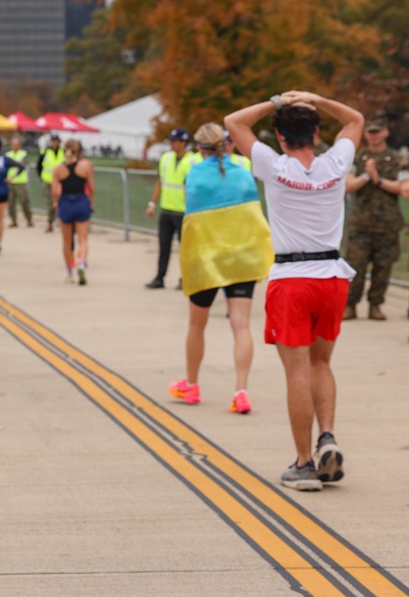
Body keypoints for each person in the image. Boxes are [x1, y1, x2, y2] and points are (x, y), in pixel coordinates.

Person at [225, 90, 364, 492]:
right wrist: (315, 98)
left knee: (297, 371)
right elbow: (354, 119)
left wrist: (276, 101)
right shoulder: (335, 163)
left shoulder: (272, 164)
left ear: (280, 138)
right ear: (317, 134)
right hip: (332, 276)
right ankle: (327, 436)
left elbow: (234, 121)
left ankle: (305, 464)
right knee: (321, 364)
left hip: (292, 277)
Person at [169, 123, 273, 414]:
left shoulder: (195, 176)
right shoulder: (243, 172)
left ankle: (192, 384)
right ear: (227, 145)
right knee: (241, 325)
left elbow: (193, 222)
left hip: (207, 261)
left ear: (199, 149)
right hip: (242, 258)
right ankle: (241, 390)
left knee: (196, 324)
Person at [342, 113, 404, 321]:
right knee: (355, 266)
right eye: (370, 132)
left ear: (385, 133)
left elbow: (403, 188)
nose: (374, 136)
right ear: (366, 134)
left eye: (377, 132)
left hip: (387, 223)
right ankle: (350, 305)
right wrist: (367, 175)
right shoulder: (359, 158)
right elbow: (347, 186)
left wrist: (378, 180)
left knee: (383, 267)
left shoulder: (397, 158)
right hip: (361, 223)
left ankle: (375, 305)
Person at [145, 128, 201, 289]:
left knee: (185, 248)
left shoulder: (193, 160)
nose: (171, 144)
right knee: (164, 246)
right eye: (170, 140)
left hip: (184, 211)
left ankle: (185, 278)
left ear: (183, 143)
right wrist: (152, 203)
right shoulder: (166, 158)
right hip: (166, 209)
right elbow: (160, 181)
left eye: (174, 141)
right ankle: (159, 277)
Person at [50, 139, 95, 284]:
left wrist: (56, 202)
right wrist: (90, 202)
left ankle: (70, 272)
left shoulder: (58, 169)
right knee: (83, 239)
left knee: (67, 241)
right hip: (81, 201)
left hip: (66, 203)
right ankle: (82, 262)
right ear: (78, 151)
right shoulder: (85, 167)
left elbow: (54, 191)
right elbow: (92, 189)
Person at [37, 133, 65, 233]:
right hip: (48, 180)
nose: (54, 143)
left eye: (55, 141)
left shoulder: (63, 152)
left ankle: (62, 221)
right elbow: (39, 166)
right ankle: (50, 223)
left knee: (61, 201)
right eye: (52, 141)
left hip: (61, 182)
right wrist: (41, 178)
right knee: (50, 203)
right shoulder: (45, 152)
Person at [5, 136, 33, 228]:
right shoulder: (8, 154)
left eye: (17, 145)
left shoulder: (23, 154)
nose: (15, 146)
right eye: (13, 145)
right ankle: (13, 220)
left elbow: (22, 167)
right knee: (11, 203)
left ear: (20, 145)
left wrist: (14, 176)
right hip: (10, 182)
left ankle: (29, 219)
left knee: (24, 201)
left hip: (21, 181)